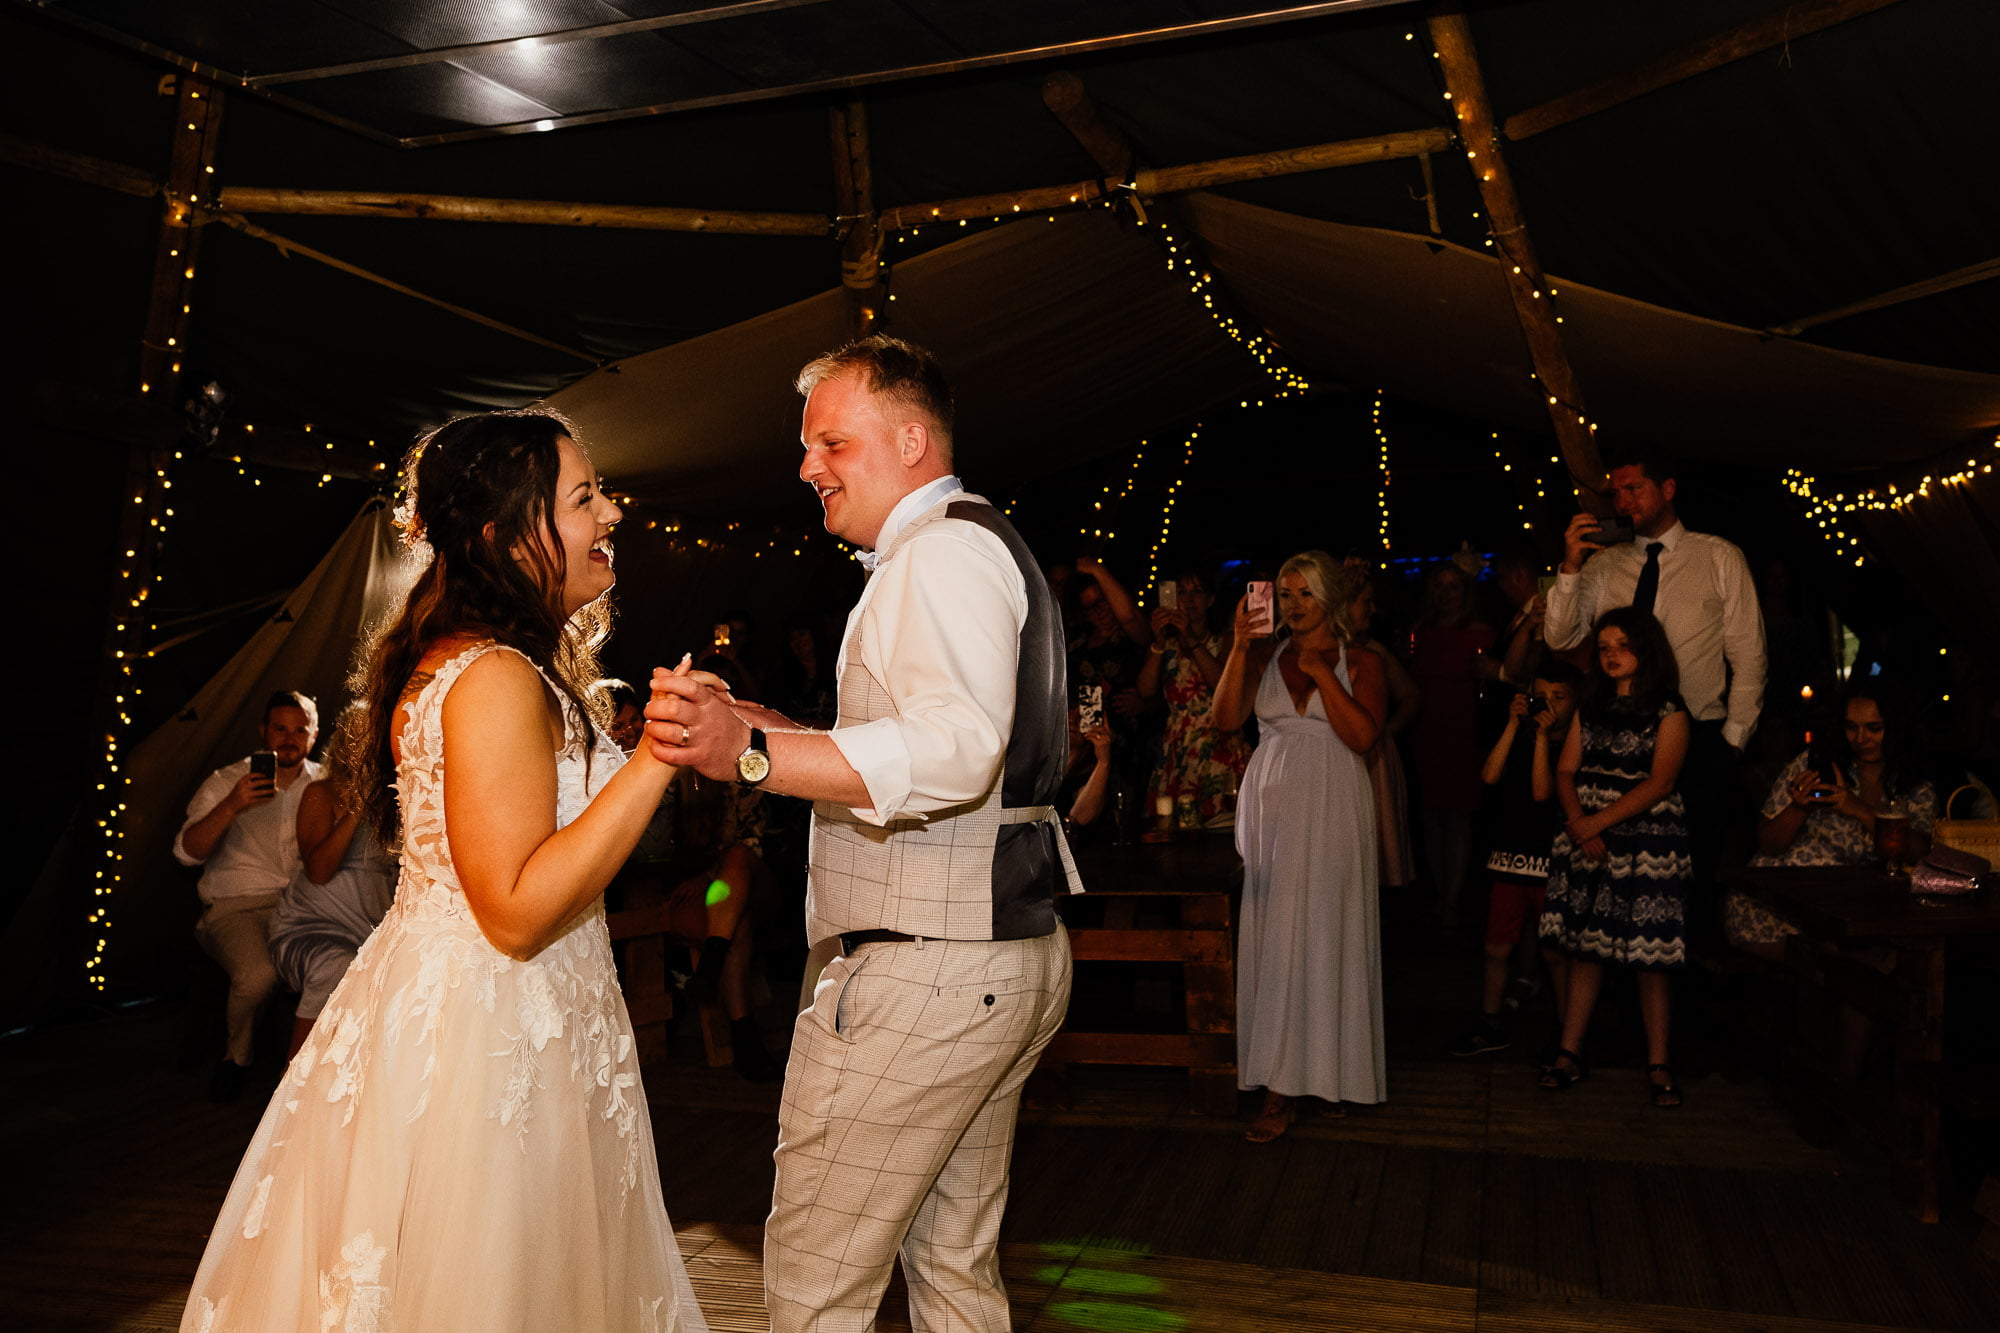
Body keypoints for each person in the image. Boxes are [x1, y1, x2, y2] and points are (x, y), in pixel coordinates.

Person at [180, 409, 710, 1332]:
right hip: (490, 1027)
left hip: (509, 1009)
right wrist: (659, 757)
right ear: (507, 536)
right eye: (585, 497)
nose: (612, 514)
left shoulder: (489, 662)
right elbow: (513, 909)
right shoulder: (495, 674)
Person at [645, 335, 1078, 1333]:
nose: (807, 468)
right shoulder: (972, 544)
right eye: (807, 448)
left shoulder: (938, 559)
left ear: (913, 440)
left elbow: (953, 751)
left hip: (928, 976)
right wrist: (757, 725)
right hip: (989, 957)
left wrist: (748, 760)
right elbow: (933, 744)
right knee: (951, 1269)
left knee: (813, 1284)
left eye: (832, 443)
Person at [1213, 551, 1387, 1141]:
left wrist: (1320, 673)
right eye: (1285, 593)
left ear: (1329, 598)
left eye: (1305, 593)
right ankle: (1280, 1083)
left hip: (1335, 801)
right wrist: (1239, 646)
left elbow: (1364, 736)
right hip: (1275, 808)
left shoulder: (1361, 660)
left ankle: (1325, 1074)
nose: (1293, 603)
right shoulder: (1261, 654)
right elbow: (1223, 718)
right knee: (1278, 936)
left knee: (1327, 932)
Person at [1545, 443, 1766, 896]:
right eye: (1616, 493)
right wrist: (1570, 565)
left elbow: (1749, 655)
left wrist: (1732, 742)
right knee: (1615, 875)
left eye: (1633, 489)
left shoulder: (1718, 556)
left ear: (1667, 489)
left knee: (1691, 870)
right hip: (1616, 739)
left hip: (1700, 736)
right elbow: (1560, 639)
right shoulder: (1604, 565)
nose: (1622, 502)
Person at [1538, 608, 1693, 1108]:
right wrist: (1579, 822)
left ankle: (1660, 1063)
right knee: (1585, 949)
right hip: (1590, 840)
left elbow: (1661, 781)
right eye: (1603, 647)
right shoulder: (1590, 704)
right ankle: (1569, 1053)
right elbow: (1566, 771)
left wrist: (1595, 823)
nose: (1611, 655)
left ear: (1645, 649)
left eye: (1622, 645)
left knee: (1651, 957)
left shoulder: (1669, 710)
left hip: (1646, 842)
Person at [173, 689, 323, 1101]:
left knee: (341, 967)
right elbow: (186, 854)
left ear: (314, 735)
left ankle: (311, 1078)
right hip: (234, 909)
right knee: (259, 975)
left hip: (302, 908)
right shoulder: (226, 781)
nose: (289, 738)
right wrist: (233, 804)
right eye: (280, 728)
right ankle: (235, 1059)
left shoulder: (327, 784)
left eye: (300, 730)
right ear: (263, 731)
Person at [1724, 687, 1938, 961]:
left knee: (1870, 953)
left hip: (1854, 903)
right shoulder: (1818, 762)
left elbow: (1919, 852)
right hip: (1784, 894)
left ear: (1896, 728)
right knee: (1754, 913)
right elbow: (1768, 843)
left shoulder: (1913, 781)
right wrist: (1800, 806)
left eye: (1874, 728)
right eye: (1851, 728)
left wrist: (1857, 808)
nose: (1861, 739)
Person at [1449, 662, 1583, 1057]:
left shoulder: (1575, 746)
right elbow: (1489, 775)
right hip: (1510, 856)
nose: (1551, 705)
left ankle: (1566, 1035)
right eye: (1543, 696)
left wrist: (1542, 737)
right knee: (1496, 947)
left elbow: (1543, 792)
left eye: (1560, 698)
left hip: (1552, 861)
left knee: (1556, 953)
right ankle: (1491, 1024)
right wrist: (1513, 725)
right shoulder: (1521, 736)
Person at [268, 774, 396, 1058]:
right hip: (311, 927)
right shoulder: (323, 792)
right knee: (337, 965)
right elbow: (318, 871)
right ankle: (292, 1077)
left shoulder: (402, 797)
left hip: (370, 931)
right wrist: (356, 808)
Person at [1407, 560, 1496, 928]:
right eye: (1439, 586)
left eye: (1452, 587)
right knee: (1430, 814)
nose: (1444, 594)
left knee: (1458, 815)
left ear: (1465, 592)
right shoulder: (1419, 631)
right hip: (1427, 728)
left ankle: (1453, 899)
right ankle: (1441, 891)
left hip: (1462, 727)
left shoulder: (1481, 633)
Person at [1138, 567, 1250, 830]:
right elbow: (1145, 691)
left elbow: (1220, 683)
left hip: (1218, 742)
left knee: (1221, 826)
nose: (1188, 600)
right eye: (1181, 593)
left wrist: (1189, 638)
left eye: (1197, 592)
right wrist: (1158, 641)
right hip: (1178, 747)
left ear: (1210, 599)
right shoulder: (1167, 646)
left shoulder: (1225, 640)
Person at [1345, 562, 1419, 888]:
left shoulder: (1374, 652)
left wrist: (1387, 729)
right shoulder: (1314, 654)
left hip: (1371, 760)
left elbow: (1411, 695)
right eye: (1365, 600)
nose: (1373, 609)